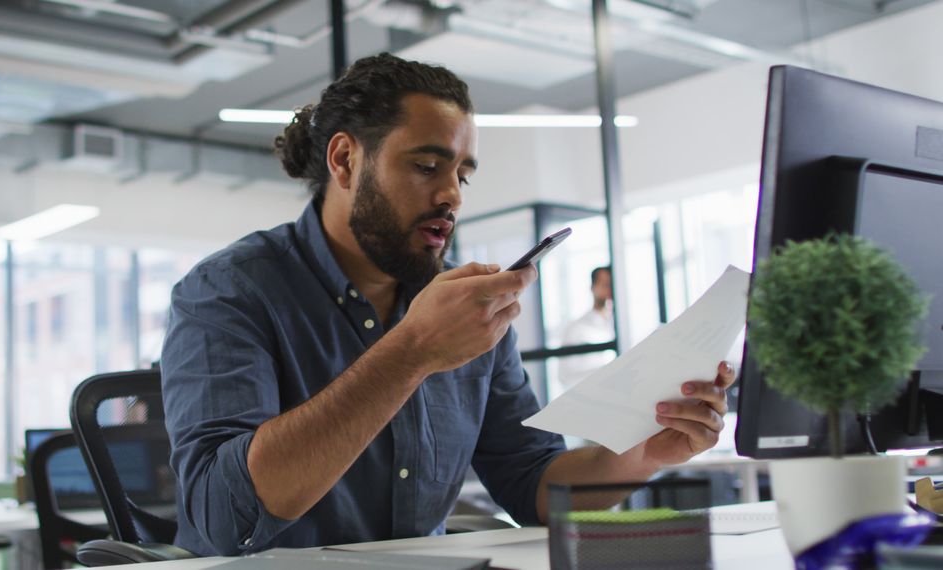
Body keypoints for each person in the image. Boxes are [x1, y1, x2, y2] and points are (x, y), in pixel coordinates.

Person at [161, 53, 735, 557]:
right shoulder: (227, 291)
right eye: (426, 167)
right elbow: (223, 521)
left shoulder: (466, 312)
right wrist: (411, 351)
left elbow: (533, 486)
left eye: (462, 173)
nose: (453, 195)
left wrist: (641, 453)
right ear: (344, 161)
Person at [555, 266, 616, 398]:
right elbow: (564, 376)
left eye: (612, 285)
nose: (609, 290)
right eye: (605, 285)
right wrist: (606, 375)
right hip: (593, 399)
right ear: (593, 288)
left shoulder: (621, 325)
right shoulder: (576, 329)